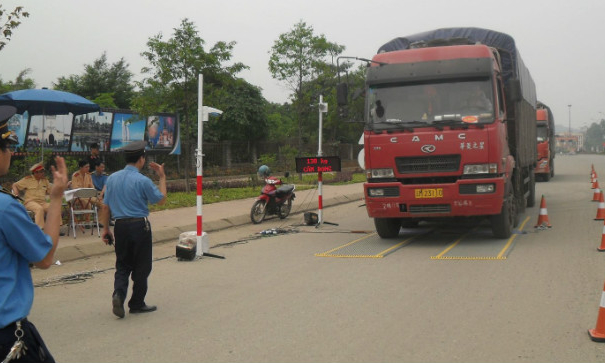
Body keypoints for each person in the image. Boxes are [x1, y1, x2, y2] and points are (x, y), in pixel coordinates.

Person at [0, 105, 68, 363]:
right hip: (7, 337)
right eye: (7, 146)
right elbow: (45, 258)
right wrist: (58, 196)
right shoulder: (5, 208)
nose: (10, 153)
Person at [100, 141, 167, 319]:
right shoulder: (143, 180)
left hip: (120, 226)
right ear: (141, 159)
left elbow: (105, 208)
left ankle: (119, 295)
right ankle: (137, 303)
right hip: (140, 226)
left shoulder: (111, 179)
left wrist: (106, 229)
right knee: (142, 266)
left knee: (122, 265)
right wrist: (161, 177)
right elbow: (160, 200)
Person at [12, 162, 51, 229]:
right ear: (35, 173)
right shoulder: (27, 180)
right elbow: (14, 185)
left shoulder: (45, 180)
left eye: (43, 171)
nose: (43, 173)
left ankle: (54, 228)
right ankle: (39, 229)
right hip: (30, 202)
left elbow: (50, 191)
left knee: (53, 208)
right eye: (41, 172)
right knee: (39, 209)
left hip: (42, 202)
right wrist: (16, 192)